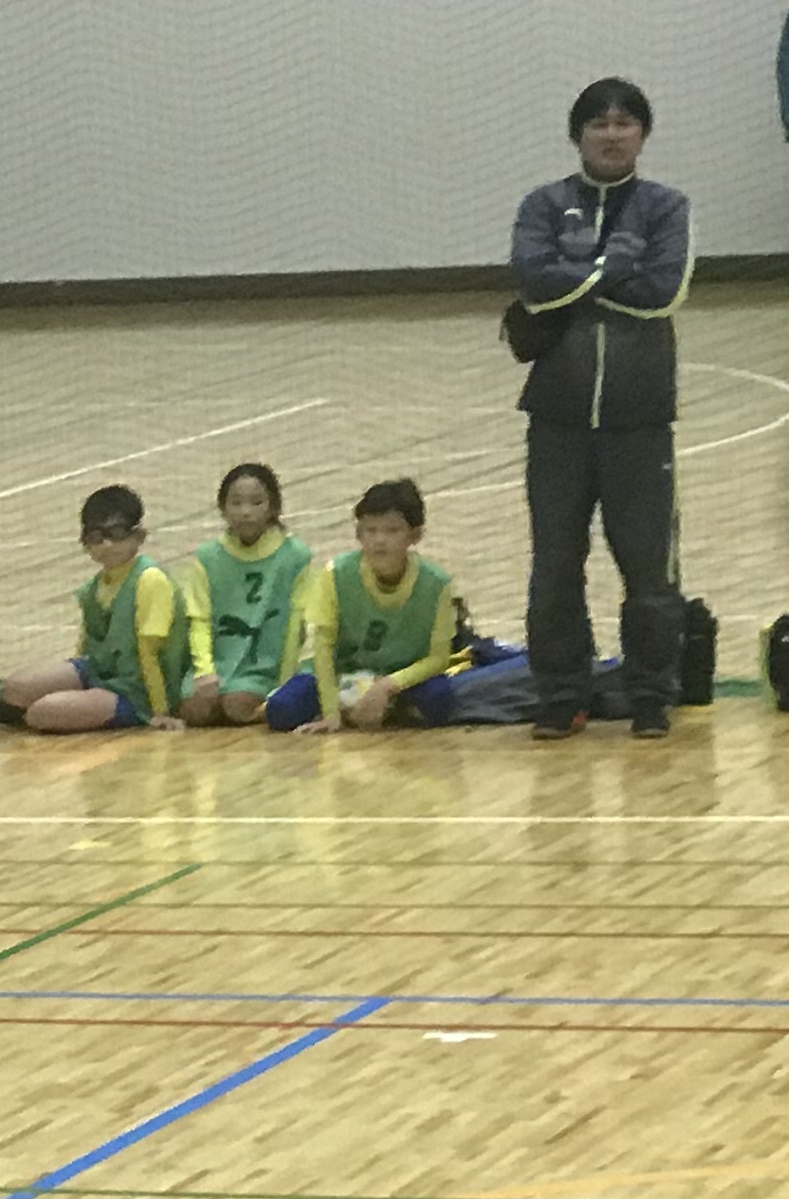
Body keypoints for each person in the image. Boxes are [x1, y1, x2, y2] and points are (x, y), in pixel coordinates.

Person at [512, 78, 691, 741]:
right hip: (557, 421)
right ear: (577, 134)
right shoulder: (542, 204)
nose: (612, 134)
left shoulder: (667, 207)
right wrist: (611, 270)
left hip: (639, 422)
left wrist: (576, 275)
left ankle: (650, 696)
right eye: (599, 123)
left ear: (642, 134)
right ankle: (562, 697)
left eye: (624, 123)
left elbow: (663, 292)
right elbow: (532, 280)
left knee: (648, 571)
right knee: (555, 567)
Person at [0, 484, 199, 734]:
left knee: (43, 712)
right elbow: (86, 647)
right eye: (96, 536)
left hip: (137, 690)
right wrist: (75, 683)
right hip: (100, 672)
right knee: (14, 687)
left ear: (139, 536)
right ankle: (52, 707)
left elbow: (150, 653)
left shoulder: (150, 580)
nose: (107, 544)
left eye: (117, 533)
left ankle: (45, 712)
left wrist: (160, 711)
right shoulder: (92, 588)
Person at [268, 480, 464, 734]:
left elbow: (439, 658)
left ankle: (382, 706)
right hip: (340, 676)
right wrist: (331, 713)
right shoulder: (336, 574)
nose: (380, 540)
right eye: (371, 530)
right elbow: (323, 647)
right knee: (281, 709)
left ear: (415, 535)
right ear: (358, 534)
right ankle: (355, 708)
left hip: (400, 679)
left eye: (392, 530)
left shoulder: (436, 584)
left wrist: (387, 686)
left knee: (440, 701)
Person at [181, 462, 308, 729]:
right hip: (218, 664)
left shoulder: (295, 556)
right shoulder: (207, 557)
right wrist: (204, 672)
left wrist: (284, 684)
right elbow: (199, 619)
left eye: (256, 502)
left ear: (274, 507)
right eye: (236, 503)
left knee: (237, 705)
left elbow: (295, 626)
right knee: (195, 710)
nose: (245, 512)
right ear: (222, 508)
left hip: (262, 669)